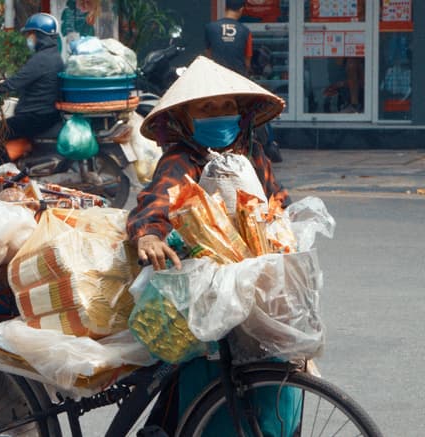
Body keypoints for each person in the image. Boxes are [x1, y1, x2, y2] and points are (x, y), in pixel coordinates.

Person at [127, 55, 292, 434]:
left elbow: (278, 201)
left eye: (227, 106)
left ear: (241, 112)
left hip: (253, 279)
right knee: (197, 376)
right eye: (207, 107)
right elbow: (155, 203)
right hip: (205, 288)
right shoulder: (181, 161)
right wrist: (149, 234)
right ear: (186, 118)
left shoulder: (250, 155)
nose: (220, 113)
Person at [204, 0, 282, 163]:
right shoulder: (245, 31)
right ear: (241, 9)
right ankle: (268, 145)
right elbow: (247, 62)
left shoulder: (210, 28)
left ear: (225, 8)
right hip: (238, 81)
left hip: (217, 80)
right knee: (255, 110)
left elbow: (209, 56)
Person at [0, 13, 64, 164]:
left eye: (31, 34)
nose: (29, 38)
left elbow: (15, 83)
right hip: (46, 113)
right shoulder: (53, 55)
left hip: (37, 116)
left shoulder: (42, 59)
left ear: (40, 35)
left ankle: (5, 175)